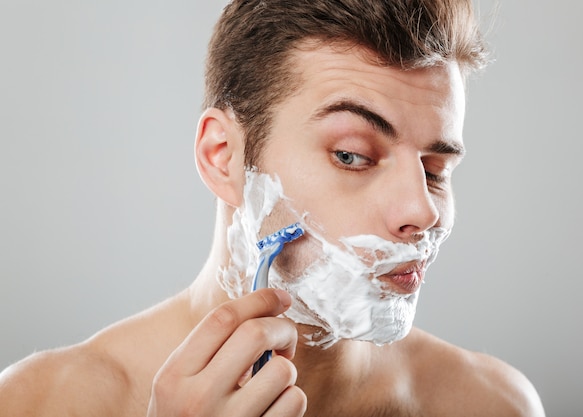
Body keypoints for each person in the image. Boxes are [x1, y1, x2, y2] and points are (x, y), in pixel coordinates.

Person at [0, 1, 546, 416]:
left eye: (435, 171)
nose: (423, 211)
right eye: (352, 155)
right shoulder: (41, 402)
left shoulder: (490, 403)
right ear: (224, 158)